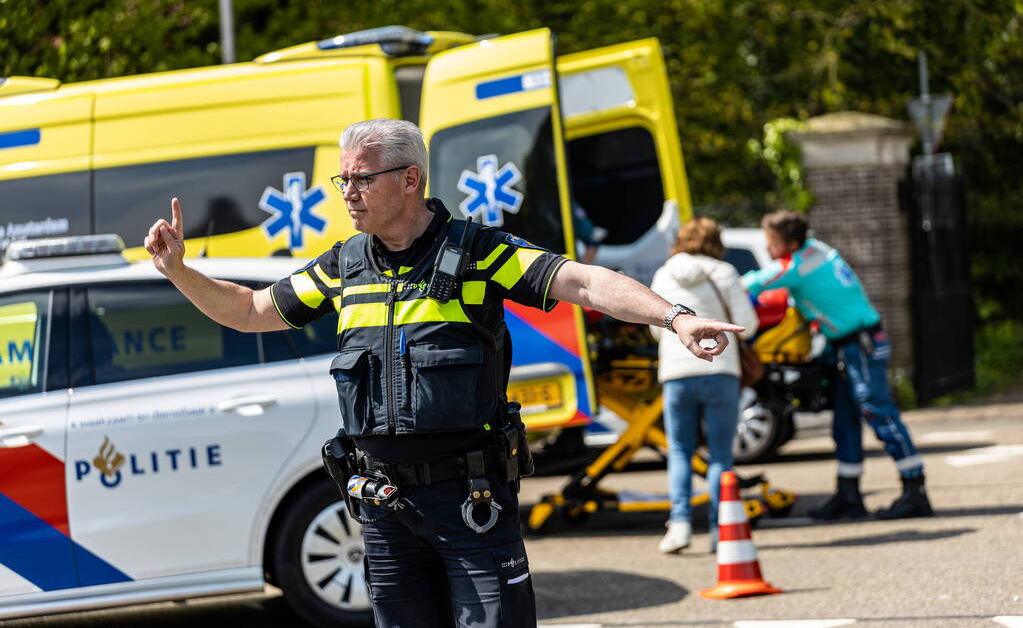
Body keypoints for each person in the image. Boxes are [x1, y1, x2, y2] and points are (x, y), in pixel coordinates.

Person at [144, 118, 744, 628]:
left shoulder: (478, 252)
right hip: (381, 502)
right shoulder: (344, 266)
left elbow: (583, 282)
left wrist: (675, 316)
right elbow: (251, 311)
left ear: (410, 180)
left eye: (361, 178)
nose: (347, 192)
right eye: (343, 179)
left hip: (469, 498)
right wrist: (177, 272)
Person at [741, 210, 933, 520]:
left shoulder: (798, 265)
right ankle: (848, 495)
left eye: (771, 242)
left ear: (787, 242)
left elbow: (752, 283)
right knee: (844, 418)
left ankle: (915, 490)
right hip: (847, 345)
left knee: (877, 410)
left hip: (860, 344)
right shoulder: (816, 249)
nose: (767, 248)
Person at [649, 217, 759, 554]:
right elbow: (748, 325)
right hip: (720, 369)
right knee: (721, 456)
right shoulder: (724, 272)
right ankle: (720, 530)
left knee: (679, 451)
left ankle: (679, 525)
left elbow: (656, 327)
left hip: (677, 374)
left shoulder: (664, 273)